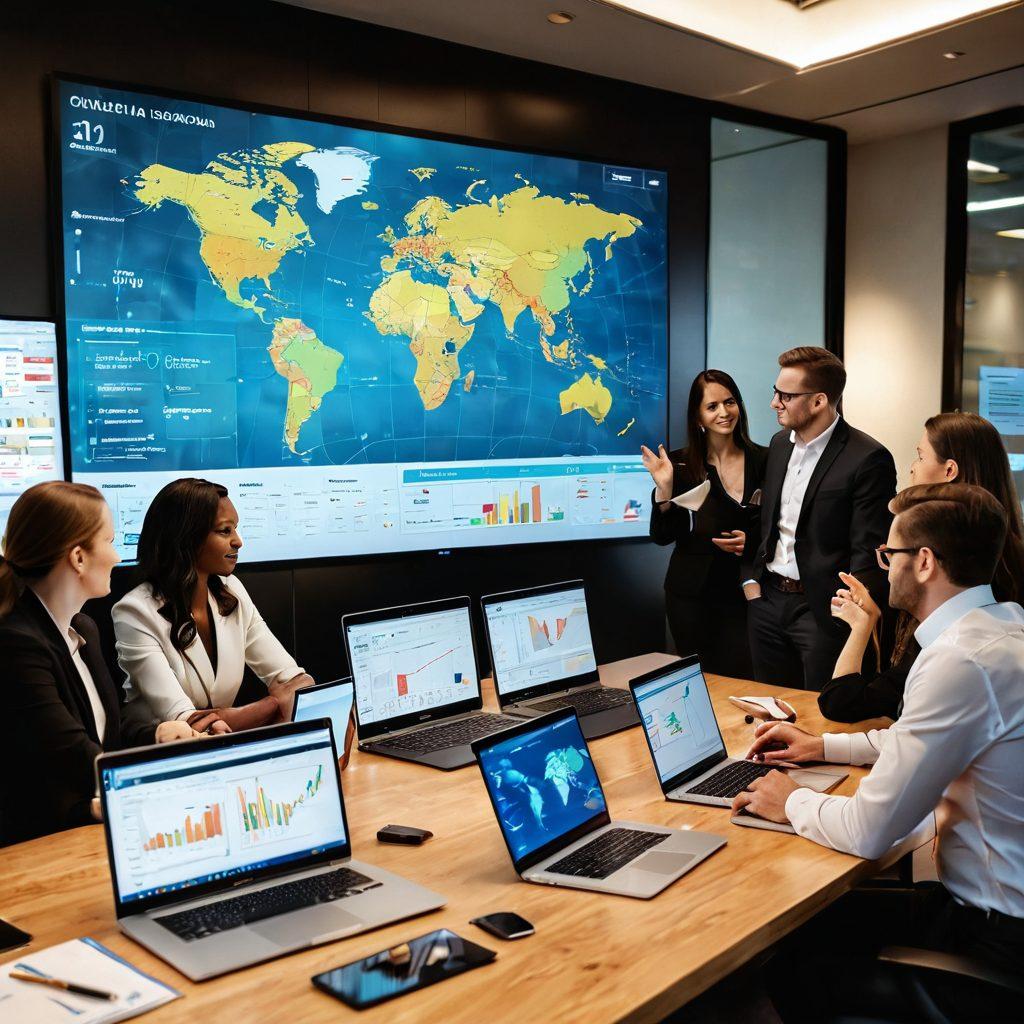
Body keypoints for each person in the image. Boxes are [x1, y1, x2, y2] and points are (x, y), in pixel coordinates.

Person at [736, 483, 1024, 1021]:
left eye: (889, 554)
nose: (882, 567)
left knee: (787, 967)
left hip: (995, 937)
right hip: (985, 909)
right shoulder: (1004, 626)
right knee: (812, 928)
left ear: (924, 562)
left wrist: (790, 800)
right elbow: (922, 736)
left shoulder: (959, 662)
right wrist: (822, 745)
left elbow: (869, 831)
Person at [0, 482, 203, 845]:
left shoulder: (83, 629)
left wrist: (156, 735)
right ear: (78, 558)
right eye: (109, 541)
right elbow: (70, 757)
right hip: (41, 844)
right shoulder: (17, 644)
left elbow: (106, 731)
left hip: (89, 830)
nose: (117, 556)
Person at [821, 411, 1024, 722]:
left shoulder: (958, 627)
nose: (912, 467)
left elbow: (852, 702)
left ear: (926, 561)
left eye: (919, 456)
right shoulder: (1006, 557)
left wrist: (863, 626)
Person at [743, 346, 896, 690]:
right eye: (776, 392)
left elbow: (868, 549)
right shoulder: (779, 444)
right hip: (768, 601)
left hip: (823, 611)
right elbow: (768, 522)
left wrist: (847, 614)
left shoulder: (868, 457)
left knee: (820, 709)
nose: (775, 403)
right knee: (769, 703)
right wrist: (751, 583)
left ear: (818, 401)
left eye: (786, 396)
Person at [113, 478, 313, 731]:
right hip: (165, 750)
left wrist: (232, 716)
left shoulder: (231, 591)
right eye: (224, 531)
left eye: (235, 529)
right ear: (187, 537)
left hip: (226, 744)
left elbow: (296, 684)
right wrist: (273, 704)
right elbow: (188, 723)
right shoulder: (135, 612)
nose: (238, 541)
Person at [641, 369, 768, 678]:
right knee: (703, 680)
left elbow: (778, 522)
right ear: (698, 416)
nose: (724, 412)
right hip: (691, 596)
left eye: (730, 402)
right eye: (712, 406)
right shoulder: (678, 464)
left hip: (747, 591)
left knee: (747, 677)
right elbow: (662, 535)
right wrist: (664, 491)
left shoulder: (765, 459)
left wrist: (752, 541)